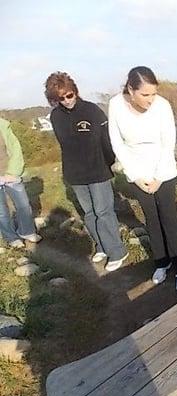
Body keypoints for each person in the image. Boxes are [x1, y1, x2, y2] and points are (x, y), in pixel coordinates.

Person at [108, 66, 177, 290]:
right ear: (130, 90)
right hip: (137, 172)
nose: (151, 99)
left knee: (168, 217)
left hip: (162, 170)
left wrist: (159, 178)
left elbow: (167, 143)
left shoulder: (162, 106)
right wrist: (135, 176)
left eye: (154, 93)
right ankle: (162, 263)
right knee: (151, 219)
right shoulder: (116, 105)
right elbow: (117, 143)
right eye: (145, 95)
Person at [45, 72, 128, 271]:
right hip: (75, 174)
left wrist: (108, 163)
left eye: (69, 95)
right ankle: (102, 246)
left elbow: (107, 141)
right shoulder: (55, 116)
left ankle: (117, 251)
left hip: (98, 170)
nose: (66, 101)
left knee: (103, 211)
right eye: (60, 98)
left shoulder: (92, 111)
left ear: (75, 91)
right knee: (89, 213)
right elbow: (66, 145)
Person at [0, 118, 42, 248]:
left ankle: (27, 231)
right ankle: (11, 237)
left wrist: (12, 172)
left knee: (23, 205)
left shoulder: (3, 125)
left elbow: (15, 148)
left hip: (10, 173)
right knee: (1, 211)